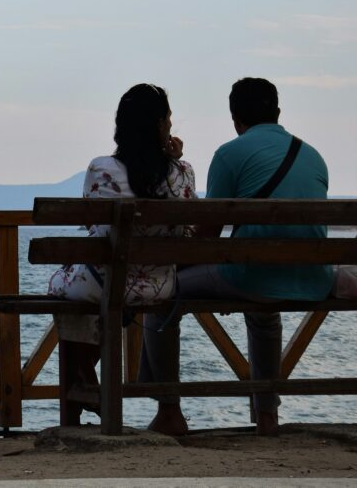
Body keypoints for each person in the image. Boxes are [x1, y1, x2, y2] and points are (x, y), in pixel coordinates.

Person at [141, 77, 332, 437]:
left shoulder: (229, 154)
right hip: (313, 280)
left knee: (160, 295)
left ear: (235, 119)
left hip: (251, 278)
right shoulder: (313, 155)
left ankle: (169, 411)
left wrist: (172, 264)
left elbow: (208, 235)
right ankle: (267, 417)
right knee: (264, 313)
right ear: (277, 112)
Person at [47, 83, 196, 421]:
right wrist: (175, 164)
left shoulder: (103, 168)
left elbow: (95, 230)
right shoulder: (183, 173)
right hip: (160, 286)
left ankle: (84, 380)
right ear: (159, 125)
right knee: (100, 297)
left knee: (64, 286)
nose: (172, 126)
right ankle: (86, 379)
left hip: (108, 282)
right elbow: (186, 232)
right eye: (169, 120)